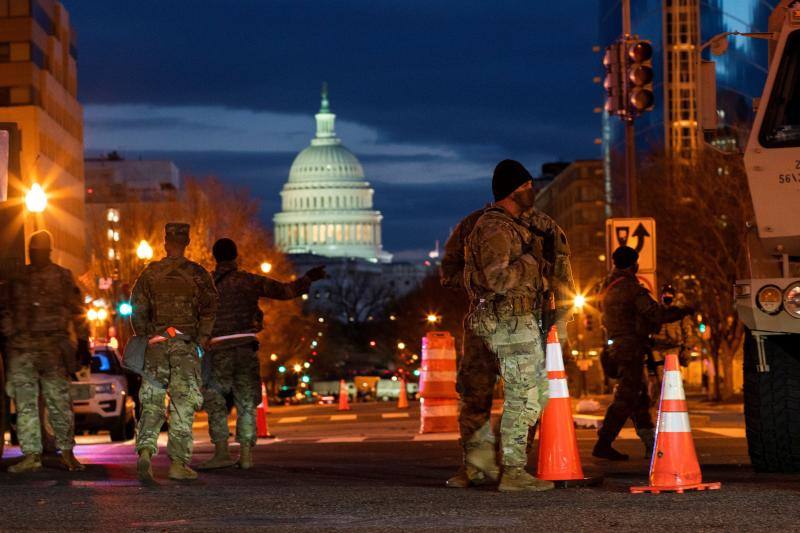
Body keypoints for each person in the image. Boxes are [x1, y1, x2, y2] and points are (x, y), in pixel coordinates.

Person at [442, 195, 574, 489]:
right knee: (477, 393)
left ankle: (511, 464)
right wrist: (484, 282)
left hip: (526, 317)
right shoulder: (474, 225)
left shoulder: (542, 225)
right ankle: (477, 466)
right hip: (487, 319)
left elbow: (561, 269)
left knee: (524, 392)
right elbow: (449, 274)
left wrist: (560, 317)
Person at [463, 159, 555, 492]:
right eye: (526, 186)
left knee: (499, 395)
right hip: (510, 321)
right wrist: (532, 262)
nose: (532, 190)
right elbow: (497, 279)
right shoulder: (497, 229)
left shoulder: (509, 225)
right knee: (527, 395)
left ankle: (481, 467)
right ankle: (513, 471)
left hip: (506, 319)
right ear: (512, 191)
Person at [197, 238, 325, 470]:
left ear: (215, 257)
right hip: (246, 346)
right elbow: (285, 291)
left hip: (218, 350)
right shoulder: (248, 281)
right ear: (236, 256)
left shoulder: (205, 285)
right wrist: (308, 278)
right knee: (246, 400)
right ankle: (246, 454)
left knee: (215, 399)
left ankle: (221, 452)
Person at [130, 223, 218, 483]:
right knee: (183, 404)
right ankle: (178, 464)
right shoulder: (198, 274)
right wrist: (201, 339)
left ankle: (145, 453)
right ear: (187, 242)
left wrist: (147, 336)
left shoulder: (150, 273)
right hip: (185, 346)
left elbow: (137, 308)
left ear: (166, 243)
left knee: (152, 402)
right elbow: (210, 309)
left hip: (156, 346)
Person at [593, 246, 693, 461]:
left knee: (638, 398)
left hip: (616, 347)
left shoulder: (606, 286)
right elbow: (656, 314)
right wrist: (684, 310)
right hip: (630, 349)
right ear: (633, 265)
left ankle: (650, 444)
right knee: (627, 397)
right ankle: (604, 443)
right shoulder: (631, 289)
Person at [3, 230, 90, 473]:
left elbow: (78, 310)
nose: (36, 254)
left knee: (58, 403)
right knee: (26, 404)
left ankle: (67, 453)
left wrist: (83, 342)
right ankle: (32, 455)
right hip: (24, 348)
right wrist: (10, 333)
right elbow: (5, 308)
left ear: (48, 252)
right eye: (33, 251)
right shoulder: (19, 278)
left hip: (51, 347)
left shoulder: (62, 277)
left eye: (39, 251)